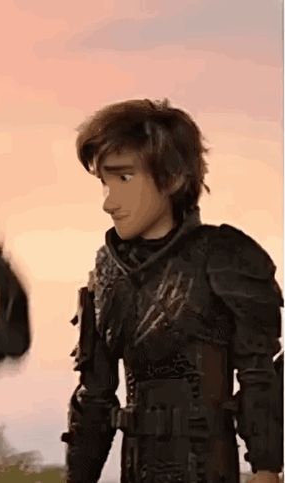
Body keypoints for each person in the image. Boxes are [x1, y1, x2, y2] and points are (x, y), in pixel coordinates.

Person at [61, 99, 283, 483]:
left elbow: (258, 377)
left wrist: (266, 469)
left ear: (172, 178)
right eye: (105, 183)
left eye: (124, 178)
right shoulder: (107, 270)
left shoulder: (226, 256)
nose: (109, 202)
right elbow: (94, 396)